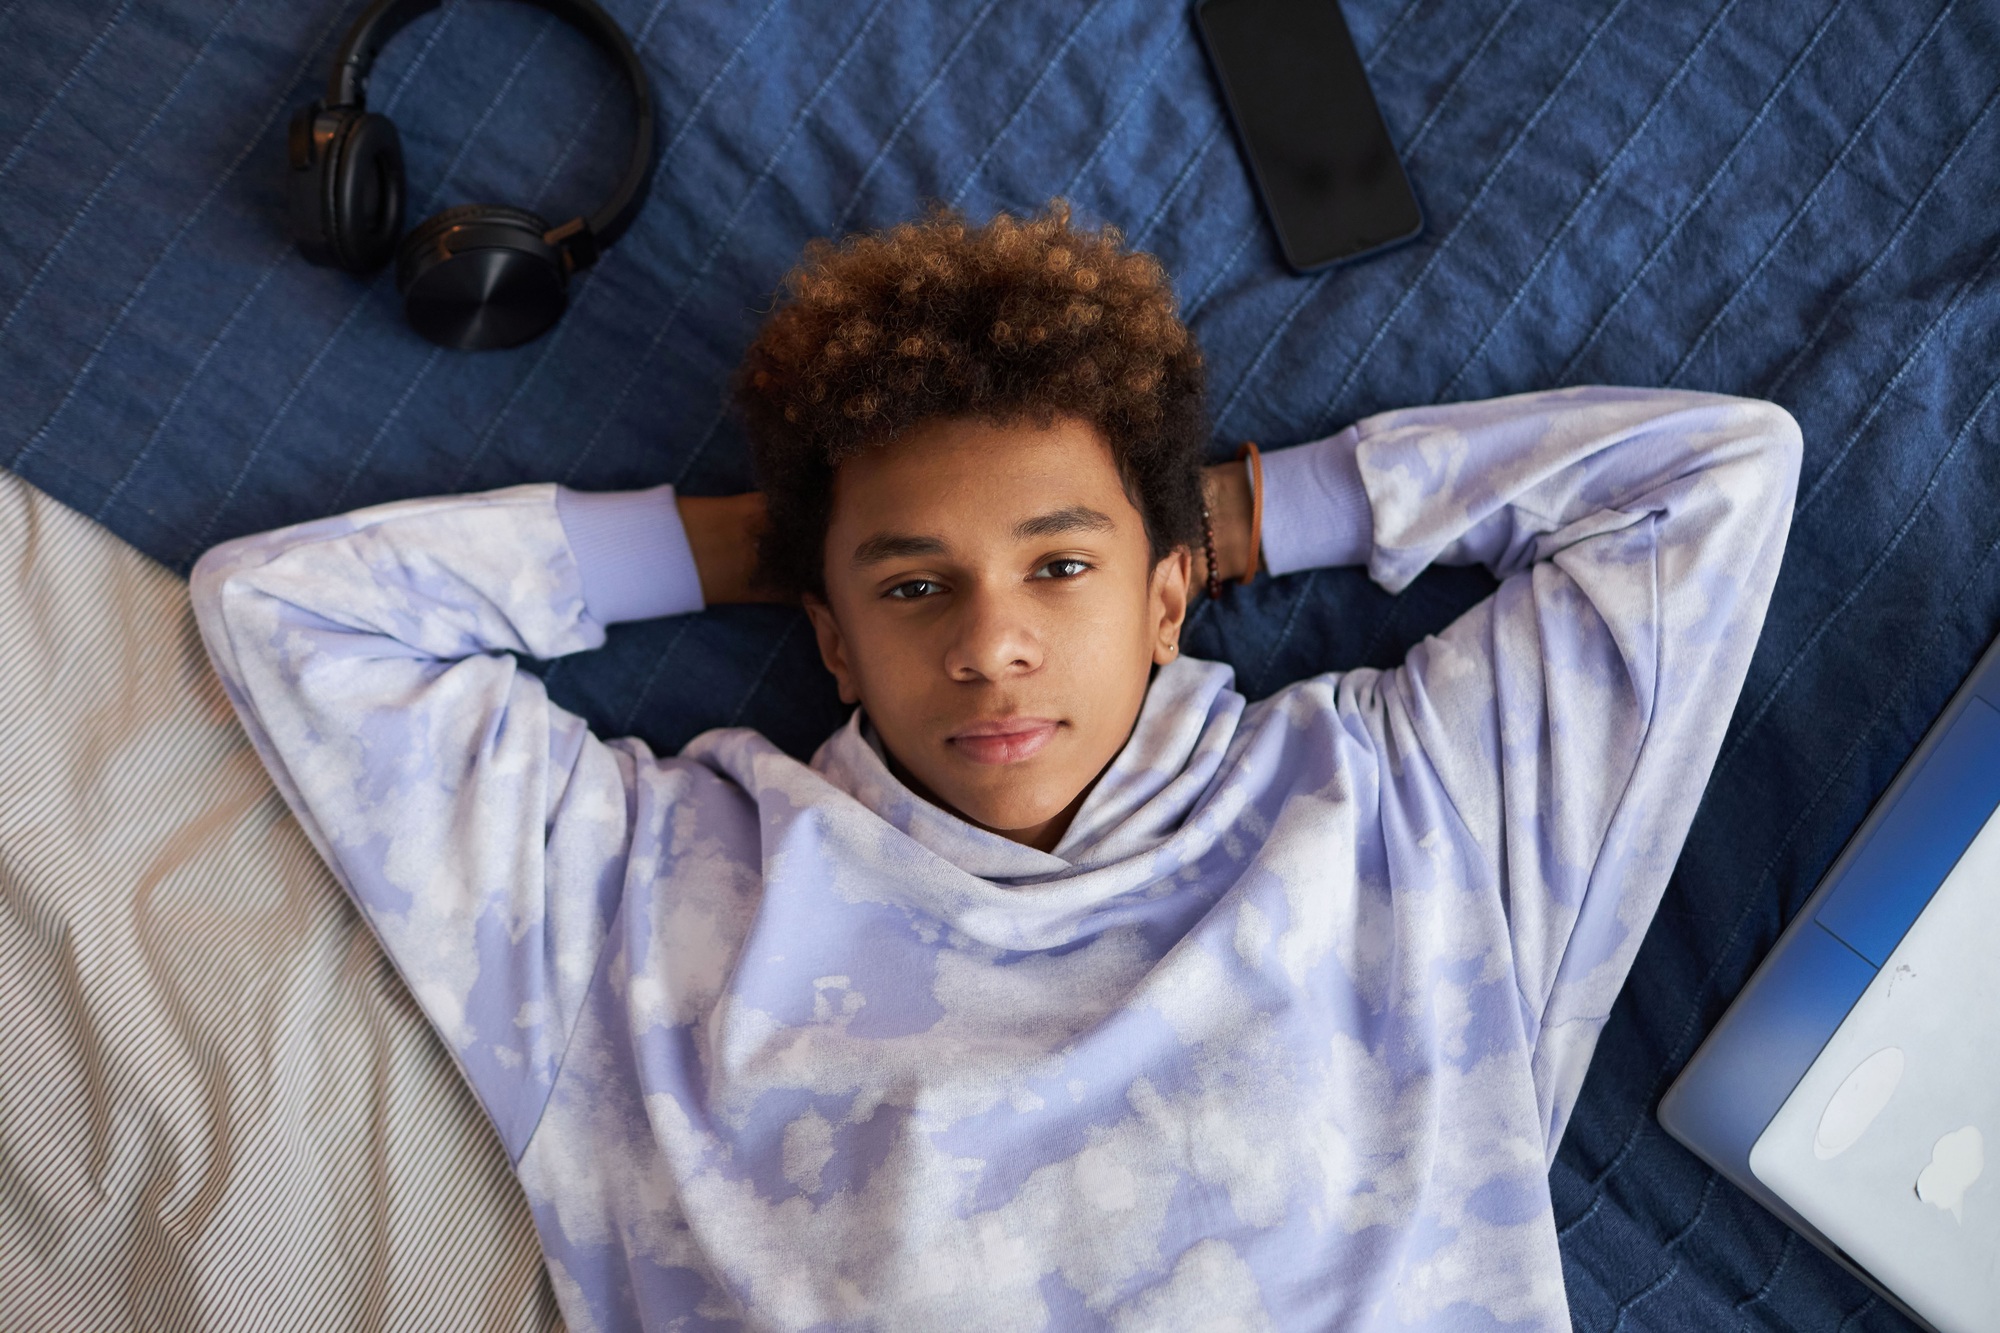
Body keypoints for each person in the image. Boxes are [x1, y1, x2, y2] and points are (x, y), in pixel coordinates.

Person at [190, 202, 1801, 1331]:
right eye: (914, 587)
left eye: (1061, 567)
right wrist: (756, 544)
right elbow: (292, 614)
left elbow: (1709, 481)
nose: (991, 643)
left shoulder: (1403, 806)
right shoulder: (637, 899)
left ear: (1166, 597)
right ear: (832, 642)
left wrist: (1242, 512)